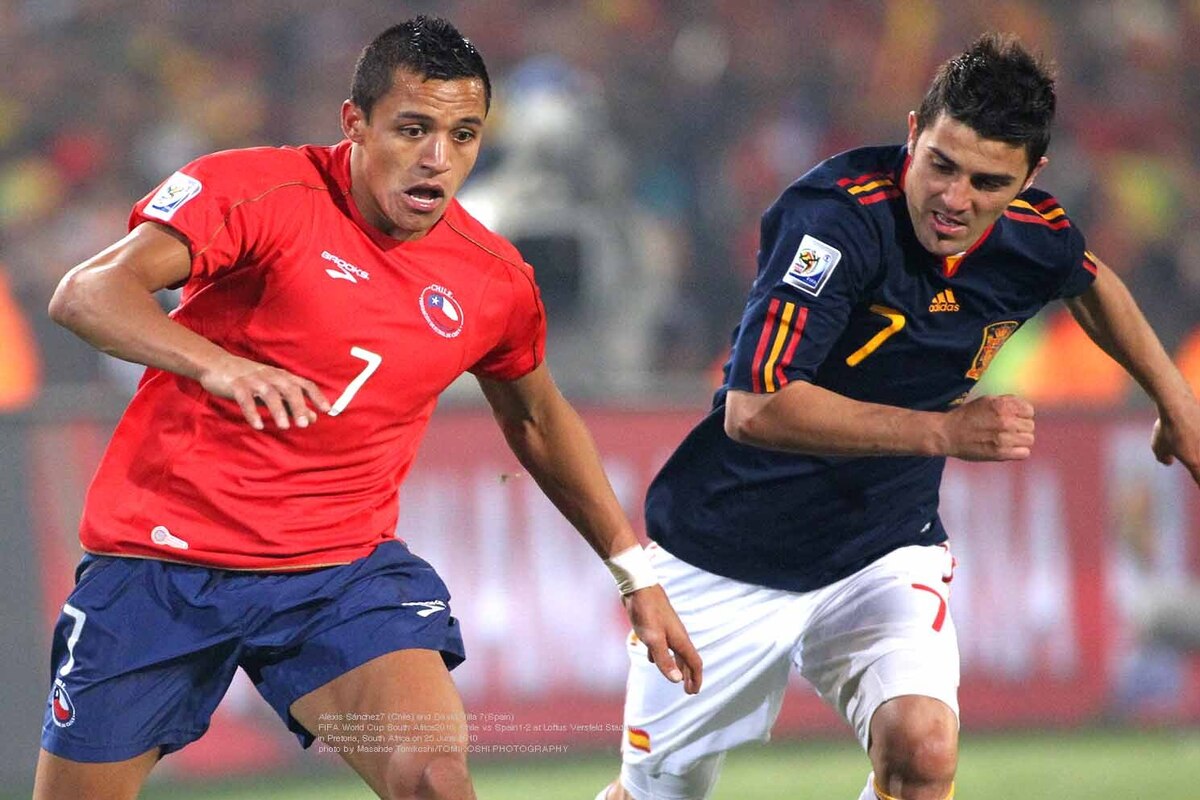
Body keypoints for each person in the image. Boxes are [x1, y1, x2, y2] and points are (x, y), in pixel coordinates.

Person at [35, 16, 700, 800]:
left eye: (463, 135)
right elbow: (86, 293)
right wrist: (218, 366)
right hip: (163, 564)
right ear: (355, 124)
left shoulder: (491, 278)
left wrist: (636, 576)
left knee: (435, 782)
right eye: (413, 129)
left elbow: (537, 418)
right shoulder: (260, 191)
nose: (437, 160)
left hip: (335, 578)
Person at [598, 32, 1200, 800]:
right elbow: (755, 408)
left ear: (1029, 178)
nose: (954, 199)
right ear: (915, 130)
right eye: (941, 165)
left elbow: (1088, 280)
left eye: (987, 181)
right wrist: (943, 432)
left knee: (923, 751)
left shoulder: (1031, 233)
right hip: (727, 551)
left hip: (881, 548)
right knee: (656, 794)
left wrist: (1175, 404)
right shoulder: (834, 221)